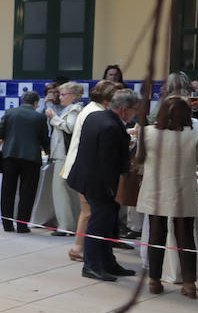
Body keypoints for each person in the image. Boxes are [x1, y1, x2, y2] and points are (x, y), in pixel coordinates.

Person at [137, 96, 198, 298]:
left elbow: (138, 162)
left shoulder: (148, 133)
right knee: (186, 238)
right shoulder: (194, 134)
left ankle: (154, 281)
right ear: (187, 114)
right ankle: (189, 284)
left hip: (154, 191)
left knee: (156, 236)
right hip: (183, 192)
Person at [67, 88, 141, 282]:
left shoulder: (97, 116)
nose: (136, 114)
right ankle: (91, 265)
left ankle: (108, 262)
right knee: (99, 224)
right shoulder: (111, 126)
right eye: (135, 110)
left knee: (107, 224)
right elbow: (109, 163)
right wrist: (113, 190)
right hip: (100, 183)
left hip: (87, 177)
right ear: (124, 109)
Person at [61, 80, 118, 263]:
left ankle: (81, 247)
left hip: (79, 166)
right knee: (88, 212)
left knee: (87, 211)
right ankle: (78, 248)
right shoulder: (95, 112)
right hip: (83, 167)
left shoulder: (91, 109)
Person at [0, 90, 50, 233]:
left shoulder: (10, 112)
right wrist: (49, 152)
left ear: (21, 100)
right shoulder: (39, 117)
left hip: (10, 156)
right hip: (31, 158)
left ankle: (7, 224)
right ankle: (22, 226)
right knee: (27, 193)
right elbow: (44, 139)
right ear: (36, 103)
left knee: (7, 191)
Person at [46, 82, 85, 237]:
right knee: (66, 189)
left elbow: (69, 127)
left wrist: (53, 118)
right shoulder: (70, 109)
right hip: (63, 154)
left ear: (73, 96)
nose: (60, 97)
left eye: (63, 94)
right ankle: (70, 224)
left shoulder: (75, 110)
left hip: (65, 155)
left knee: (60, 189)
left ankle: (65, 225)